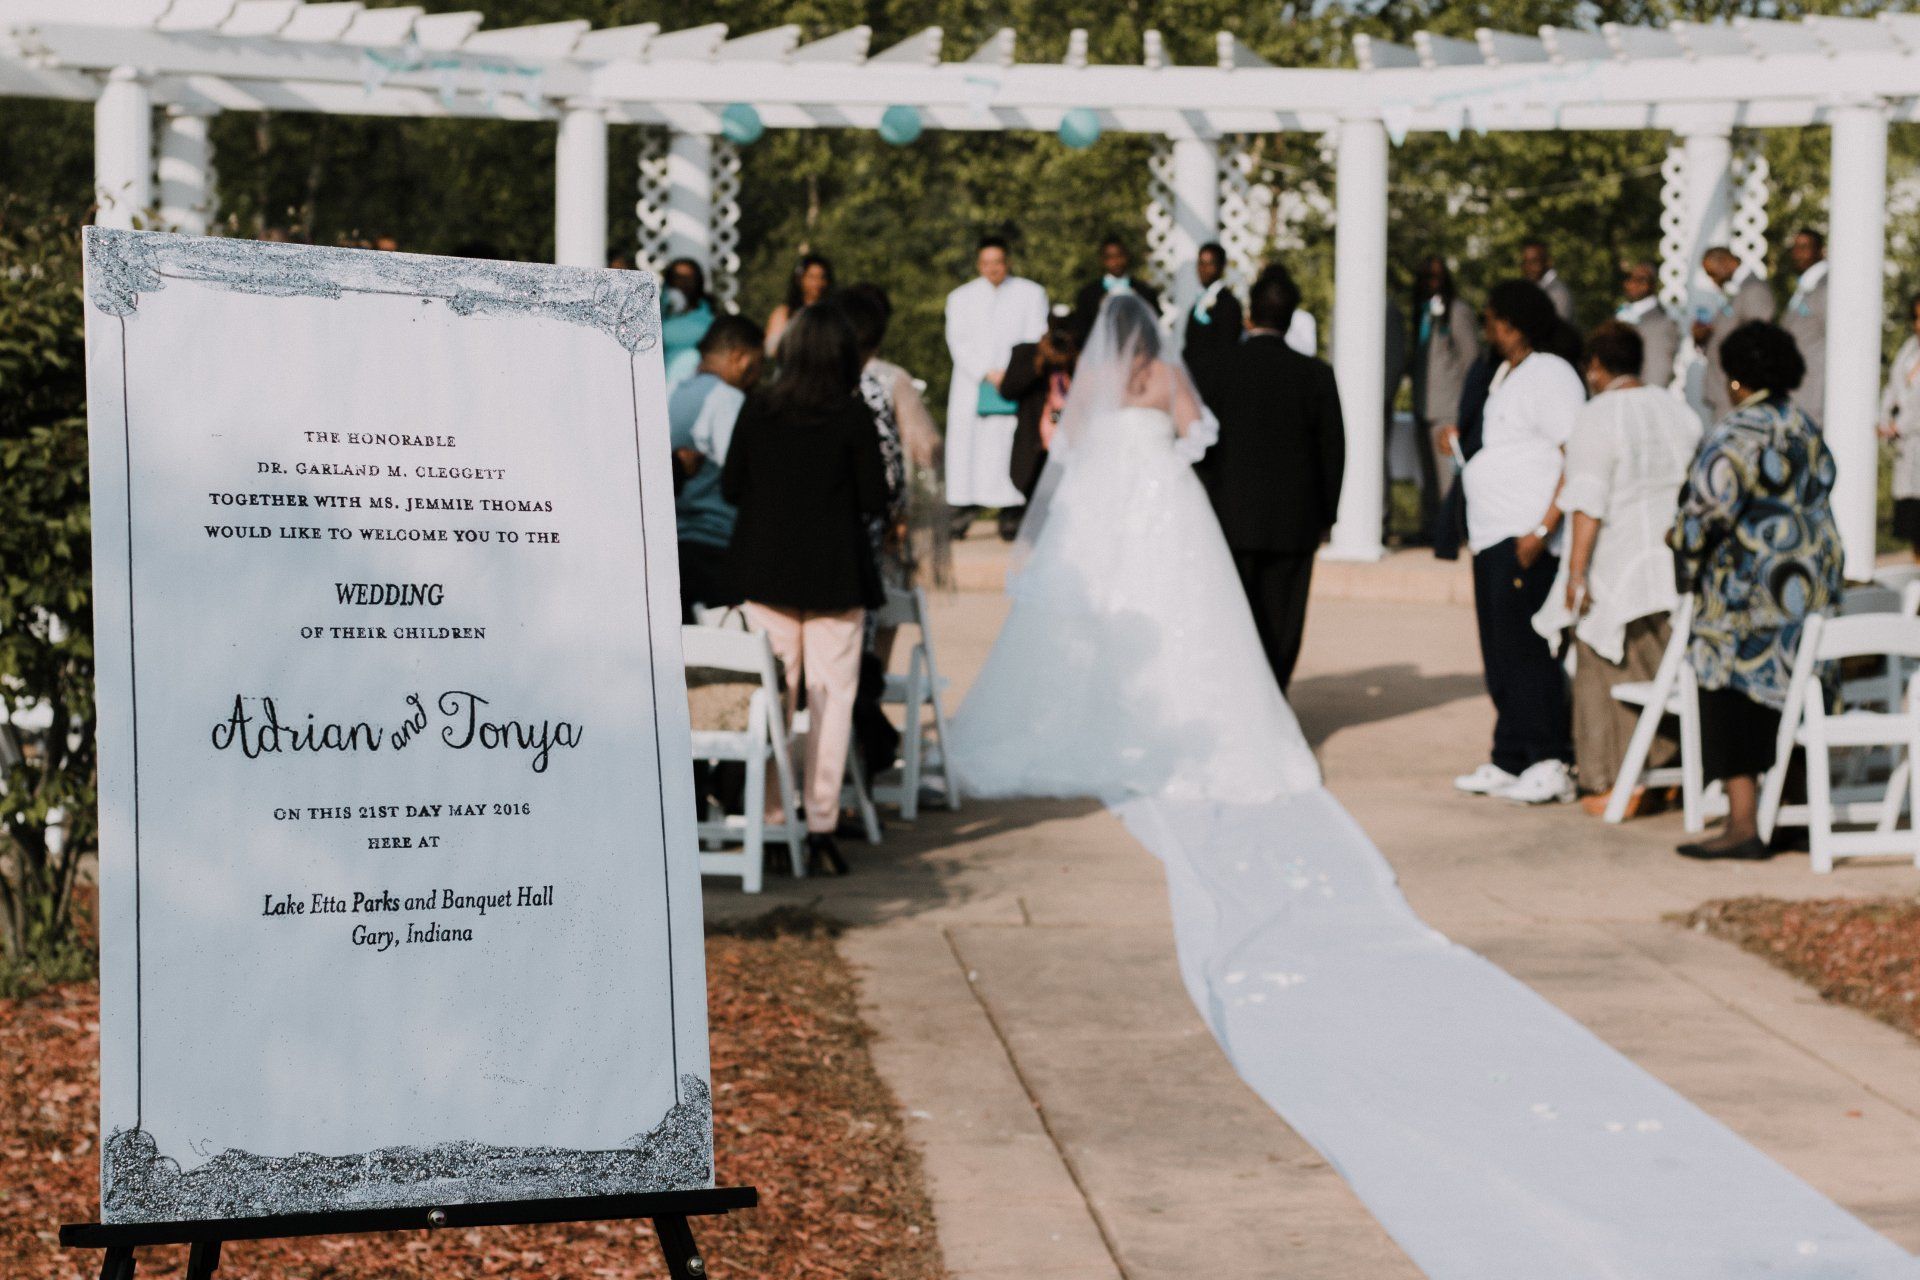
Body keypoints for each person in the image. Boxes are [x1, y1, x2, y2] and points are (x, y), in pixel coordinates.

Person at [947, 292, 1322, 803]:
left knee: (1088, 606)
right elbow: (1200, 434)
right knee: (1179, 605)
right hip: (1164, 500)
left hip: (1098, 504)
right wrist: (1164, 455)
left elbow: (1065, 446)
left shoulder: (1093, 380)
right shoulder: (1168, 375)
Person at [721, 305, 889, 875]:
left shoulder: (757, 407)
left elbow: (730, 485)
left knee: (773, 698)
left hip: (766, 572)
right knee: (830, 701)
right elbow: (874, 498)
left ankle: (770, 819)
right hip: (836, 573)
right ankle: (820, 825)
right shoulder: (852, 416)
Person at [1670, 321, 1843, 861]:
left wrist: (1680, 541)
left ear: (1737, 378)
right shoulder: (1803, 424)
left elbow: (1711, 504)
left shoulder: (1738, 430)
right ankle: (1792, 812)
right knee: (1795, 694)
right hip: (1809, 584)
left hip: (1749, 589)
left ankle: (1743, 822)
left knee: (1724, 690)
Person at [1531, 321, 1700, 808]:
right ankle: (1668, 770)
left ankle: (1610, 780)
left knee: (1604, 668)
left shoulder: (1597, 416)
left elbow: (1587, 501)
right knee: (1665, 668)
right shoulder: (1679, 411)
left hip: (1619, 560)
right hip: (1674, 565)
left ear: (1597, 368)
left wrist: (1576, 573)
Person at [1453, 281, 1585, 806]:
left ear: (1510, 323)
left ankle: (1550, 759)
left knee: (1529, 651)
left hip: (1528, 534)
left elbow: (1576, 450)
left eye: (1489, 319)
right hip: (1491, 531)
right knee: (1499, 651)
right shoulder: (1504, 376)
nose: (1485, 328)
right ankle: (1510, 755)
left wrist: (1544, 528)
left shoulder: (1551, 374)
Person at [1190, 267, 1346, 692]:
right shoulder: (1316, 374)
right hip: (1295, 523)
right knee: (1283, 622)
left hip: (1231, 517)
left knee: (1233, 618)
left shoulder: (1215, 368)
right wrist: (1326, 516)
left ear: (1248, 315)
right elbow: (1333, 452)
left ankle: (1237, 702)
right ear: (1292, 317)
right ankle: (1274, 701)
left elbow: (1198, 448)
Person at [944, 235, 1049, 541]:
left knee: (1007, 446)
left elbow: (1035, 336)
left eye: (998, 262)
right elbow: (957, 340)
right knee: (970, 448)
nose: (992, 269)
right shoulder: (961, 297)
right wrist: (985, 371)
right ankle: (965, 507)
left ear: (1007, 262)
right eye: (986, 263)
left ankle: (1011, 510)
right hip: (973, 382)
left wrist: (1011, 373)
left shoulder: (1030, 293)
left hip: (1014, 382)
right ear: (979, 264)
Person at [669, 315, 765, 619]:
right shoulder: (728, 401)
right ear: (739, 357)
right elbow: (746, 478)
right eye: (758, 364)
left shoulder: (669, 391)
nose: (758, 375)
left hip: (670, 542)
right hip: (713, 546)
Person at [1411, 256, 1481, 535]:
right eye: (1426, 277)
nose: (1431, 283)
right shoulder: (1421, 312)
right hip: (1422, 404)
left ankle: (1452, 531)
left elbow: (1471, 359)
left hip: (1449, 406)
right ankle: (1431, 528)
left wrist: (1465, 408)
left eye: (1436, 277)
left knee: (1448, 477)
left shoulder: (1458, 311)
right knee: (1427, 477)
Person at [1001, 311, 1079, 499]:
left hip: (1071, 445)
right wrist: (1039, 363)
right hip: (1036, 448)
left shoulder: (1078, 354)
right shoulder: (1027, 353)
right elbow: (1008, 390)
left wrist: (1070, 360)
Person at [1692, 245, 1775, 424]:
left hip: (1736, 394)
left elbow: (1759, 340)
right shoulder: (1737, 290)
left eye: (1712, 273)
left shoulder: (1753, 289)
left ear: (1728, 263)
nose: (1713, 280)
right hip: (1723, 392)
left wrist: (1739, 386)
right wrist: (1702, 338)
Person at [1879, 293, 1920, 558]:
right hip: (1909, 452)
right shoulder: (1909, 350)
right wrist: (1883, 420)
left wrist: (1900, 426)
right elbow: (1893, 388)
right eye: (1916, 318)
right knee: (1914, 526)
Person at [1071, 236, 1161, 343]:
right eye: (1110, 257)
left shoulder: (1144, 291)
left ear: (1126, 256)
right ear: (1102, 260)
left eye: (1119, 255)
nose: (1116, 261)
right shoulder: (1088, 294)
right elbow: (1082, 328)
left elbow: (1153, 324)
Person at [1781, 228, 1828, 419]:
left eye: (1804, 247)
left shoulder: (1825, 286)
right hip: (1796, 387)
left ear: (1820, 251)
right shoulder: (1806, 284)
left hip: (1814, 388)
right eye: (1795, 248)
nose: (1797, 253)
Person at [1615, 260, 1679, 389]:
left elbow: (1659, 370)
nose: (1632, 283)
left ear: (1652, 284)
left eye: (1641, 279)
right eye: (1629, 278)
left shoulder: (1662, 322)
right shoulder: (1623, 314)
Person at [1181, 242, 1242, 366]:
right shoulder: (1199, 301)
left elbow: (1227, 346)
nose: (1202, 269)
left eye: (1209, 264)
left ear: (1221, 267)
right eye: (1200, 263)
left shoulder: (1228, 304)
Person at [660, 257, 715, 390]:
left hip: (695, 382)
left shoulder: (709, 312)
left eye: (689, 277)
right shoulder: (659, 308)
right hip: (661, 380)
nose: (684, 282)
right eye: (678, 277)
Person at [764, 252, 833, 355]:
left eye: (822, 277)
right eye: (812, 277)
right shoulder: (783, 313)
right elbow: (771, 348)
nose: (817, 282)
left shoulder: (832, 313)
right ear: (800, 280)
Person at [1522, 238, 1576, 322]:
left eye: (1534, 261)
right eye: (1525, 262)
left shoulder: (1558, 293)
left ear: (1548, 262)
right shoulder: (1529, 291)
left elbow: (1559, 328)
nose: (1528, 267)